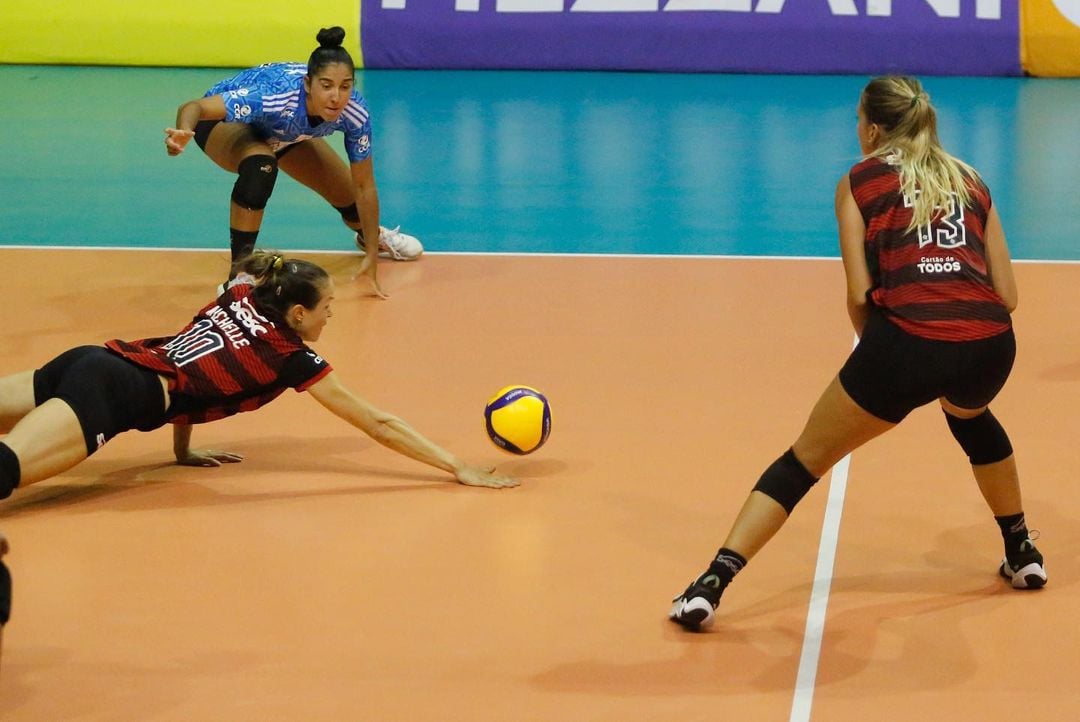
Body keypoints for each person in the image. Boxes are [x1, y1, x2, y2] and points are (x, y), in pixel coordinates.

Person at [669, 76, 1045, 631]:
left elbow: (858, 292)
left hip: (906, 346)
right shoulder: (973, 180)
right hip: (990, 345)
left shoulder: (858, 180)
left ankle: (710, 584)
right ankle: (1023, 553)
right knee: (970, 416)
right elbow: (1008, 297)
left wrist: (889, 362)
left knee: (803, 462)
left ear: (870, 128)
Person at [0, 251, 517, 504]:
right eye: (327, 307)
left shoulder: (241, 293)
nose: (330, 316)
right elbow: (377, 423)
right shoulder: (288, 356)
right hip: (113, 393)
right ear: (296, 314)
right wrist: (456, 466)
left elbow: (192, 366)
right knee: (6, 472)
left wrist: (181, 450)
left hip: (95, 358)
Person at [164, 26, 422, 299]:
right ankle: (240, 276)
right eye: (326, 86)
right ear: (308, 84)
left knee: (353, 204)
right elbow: (195, 107)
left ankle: (372, 238)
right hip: (224, 125)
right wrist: (183, 131)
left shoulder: (354, 112)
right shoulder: (274, 95)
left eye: (345, 86)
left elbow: (364, 186)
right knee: (261, 166)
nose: (336, 97)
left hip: (286, 133)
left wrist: (371, 251)